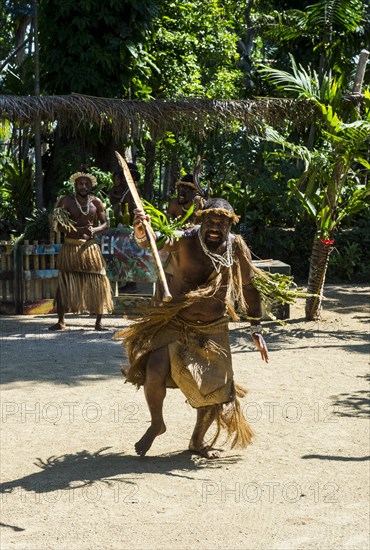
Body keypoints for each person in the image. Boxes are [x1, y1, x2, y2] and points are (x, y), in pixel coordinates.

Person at [117, 197, 269, 459]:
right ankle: (157, 423)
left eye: (221, 223)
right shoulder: (184, 240)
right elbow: (152, 243)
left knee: (215, 393)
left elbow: (248, 287)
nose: (215, 228)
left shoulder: (235, 248)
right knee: (154, 371)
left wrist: (256, 327)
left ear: (230, 225)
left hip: (212, 330)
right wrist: (142, 232)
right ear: (200, 220)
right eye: (210, 221)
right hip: (176, 321)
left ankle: (197, 441)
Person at [49, 171, 113, 331]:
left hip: (90, 247)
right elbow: (57, 225)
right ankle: (61, 321)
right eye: (80, 184)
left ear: (91, 186)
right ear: (75, 185)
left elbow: (105, 224)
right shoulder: (65, 201)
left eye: (86, 184)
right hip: (70, 247)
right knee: (64, 282)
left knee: (98, 281)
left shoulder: (97, 202)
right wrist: (78, 230)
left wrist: (95, 230)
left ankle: (98, 323)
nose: (83, 187)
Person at [109, 163, 141, 293]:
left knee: (129, 255)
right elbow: (113, 199)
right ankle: (123, 281)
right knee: (120, 255)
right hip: (120, 225)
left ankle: (131, 284)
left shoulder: (134, 191)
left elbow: (134, 207)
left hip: (130, 227)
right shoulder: (121, 190)